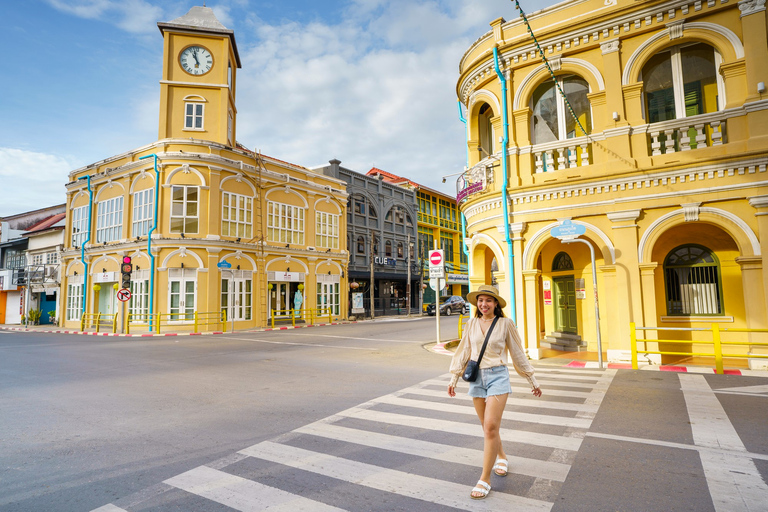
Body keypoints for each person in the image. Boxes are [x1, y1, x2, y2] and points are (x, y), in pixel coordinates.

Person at [447, 284, 542, 500]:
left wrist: (532, 380)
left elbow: (517, 353)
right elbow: (464, 351)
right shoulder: (471, 324)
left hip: (498, 375)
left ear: (496, 303)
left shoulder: (505, 324)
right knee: (487, 427)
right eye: (480, 300)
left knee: (490, 426)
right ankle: (502, 456)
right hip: (477, 377)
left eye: (488, 300)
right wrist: (454, 378)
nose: (484, 304)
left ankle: (485, 478)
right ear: (476, 303)